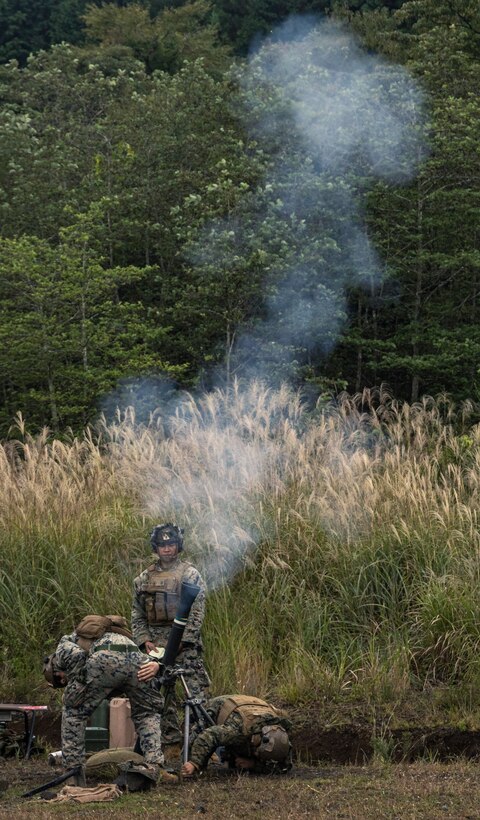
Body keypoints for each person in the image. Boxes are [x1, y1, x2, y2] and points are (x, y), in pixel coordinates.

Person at [43, 615, 174, 788]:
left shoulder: (65, 644)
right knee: (147, 714)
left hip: (105, 658)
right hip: (137, 659)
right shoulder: (109, 633)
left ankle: (73, 775)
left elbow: (77, 657)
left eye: (59, 679)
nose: (62, 681)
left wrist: (75, 687)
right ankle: (153, 767)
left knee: (74, 712)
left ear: (55, 668)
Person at [131, 523, 210, 744]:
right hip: (155, 646)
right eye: (162, 545)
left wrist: (182, 643)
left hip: (184, 646)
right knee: (159, 695)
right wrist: (143, 639)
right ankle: (169, 742)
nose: (167, 549)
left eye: (171, 544)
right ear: (155, 548)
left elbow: (196, 613)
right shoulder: (144, 578)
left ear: (179, 546)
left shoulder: (189, 574)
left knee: (195, 695)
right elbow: (137, 613)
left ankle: (202, 743)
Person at [180, 694, 292, 777]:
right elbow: (208, 736)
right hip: (222, 705)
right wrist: (194, 763)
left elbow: (283, 768)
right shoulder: (238, 731)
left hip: (251, 705)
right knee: (195, 747)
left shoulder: (280, 740)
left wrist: (253, 764)